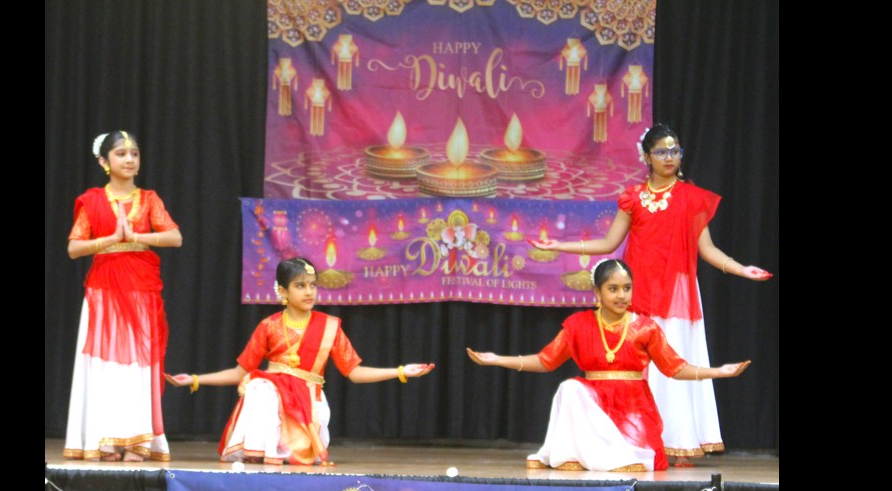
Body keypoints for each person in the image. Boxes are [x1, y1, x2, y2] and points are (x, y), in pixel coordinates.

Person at [530, 124, 770, 466]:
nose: (669, 157)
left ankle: (678, 443)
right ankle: (633, 442)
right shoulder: (632, 197)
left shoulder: (692, 198)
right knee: (637, 372)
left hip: (676, 298)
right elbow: (609, 243)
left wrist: (740, 268)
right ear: (646, 156)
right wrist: (559, 245)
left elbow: (708, 250)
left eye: (675, 151)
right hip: (636, 296)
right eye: (661, 151)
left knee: (673, 368)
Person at [466, 259, 750, 472]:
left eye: (626, 288)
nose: (621, 296)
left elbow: (674, 367)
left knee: (633, 460)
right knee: (570, 388)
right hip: (594, 404)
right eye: (613, 289)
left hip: (632, 409)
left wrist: (717, 372)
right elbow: (545, 360)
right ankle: (571, 455)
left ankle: (611, 454)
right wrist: (497, 359)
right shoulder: (578, 325)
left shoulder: (645, 327)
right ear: (597, 293)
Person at [166, 257, 435, 465]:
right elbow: (240, 372)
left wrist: (401, 371)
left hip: (309, 407)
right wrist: (195, 379)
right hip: (272, 402)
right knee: (260, 386)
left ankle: (290, 448)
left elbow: (354, 372)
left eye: (313, 285)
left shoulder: (329, 327)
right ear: (283, 291)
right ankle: (262, 451)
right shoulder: (269, 326)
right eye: (300, 286)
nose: (309, 292)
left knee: (267, 392)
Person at [64, 131, 183, 462]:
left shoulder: (149, 200)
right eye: (121, 154)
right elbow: (74, 248)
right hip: (103, 290)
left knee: (136, 364)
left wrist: (137, 235)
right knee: (105, 363)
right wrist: (111, 239)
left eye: (134, 153)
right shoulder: (92, 202)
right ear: (104, 162)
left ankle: (136, 442)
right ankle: (106, 439)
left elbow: (175, 237)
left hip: (139, 290)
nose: (130, 159)